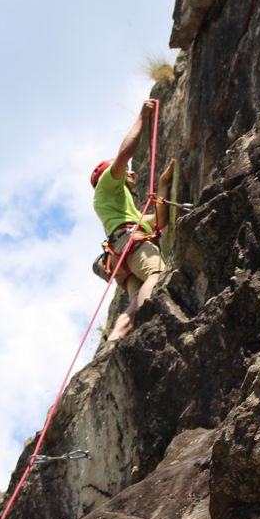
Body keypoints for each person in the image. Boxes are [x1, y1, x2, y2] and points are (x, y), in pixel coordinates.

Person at [91, 99, 175, 342]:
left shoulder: (125, 212)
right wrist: (141, 117)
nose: (131, 172)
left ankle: (116, 336)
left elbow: (159, 222)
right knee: (156, 275)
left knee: (134, 301)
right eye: (125, 169)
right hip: (131, 244)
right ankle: (146, 318)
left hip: (122, 256)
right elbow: (125, 153)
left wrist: (161, 186)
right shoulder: (106, 186)